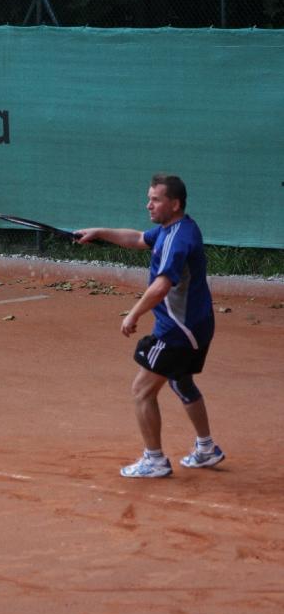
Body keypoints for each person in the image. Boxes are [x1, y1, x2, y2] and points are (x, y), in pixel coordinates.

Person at [75, 173, 224, 478]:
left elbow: (161, 286)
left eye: (156, 199)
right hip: (198, 325)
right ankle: (206, 448)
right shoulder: (177, 228)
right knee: (181, 381)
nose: (149, 205)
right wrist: (98, 232)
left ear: (175, 203)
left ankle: (154, 460)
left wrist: (133, 314)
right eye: (149, 199)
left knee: (142, 390)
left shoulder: (178, 239)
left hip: (177, 330)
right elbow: (138, 239)